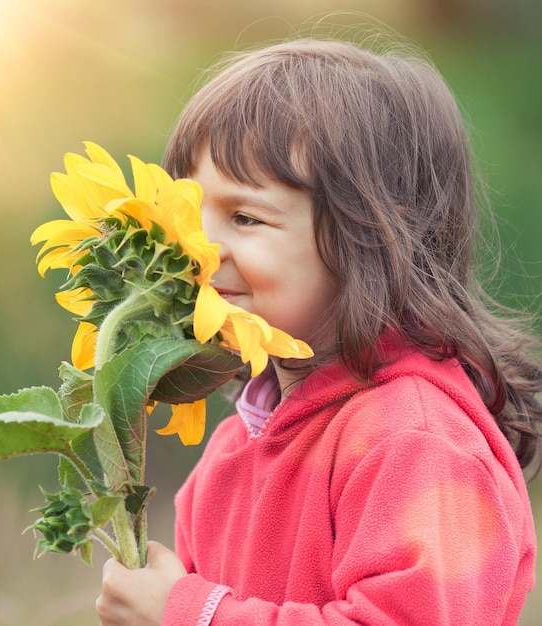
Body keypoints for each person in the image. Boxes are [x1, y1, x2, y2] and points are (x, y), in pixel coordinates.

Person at [95, 36, 542, 625]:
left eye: (245, 217)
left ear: (372, 236)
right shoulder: (232, 451)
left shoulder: (413, 439)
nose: (195, 250)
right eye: (188, 213)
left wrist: (191, 616)